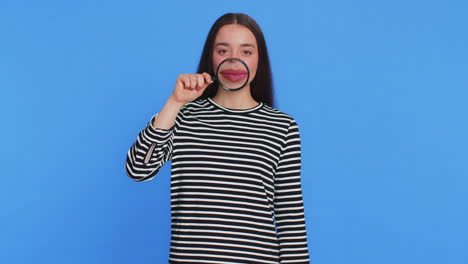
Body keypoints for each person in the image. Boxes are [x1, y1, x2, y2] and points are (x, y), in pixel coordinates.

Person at [126, 13, 310, 264]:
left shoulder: (282, 126)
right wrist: (174, 103)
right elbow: (138, 169)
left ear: (259, 60)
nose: (234, 61)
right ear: (211, 58)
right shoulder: (183, 115)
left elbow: (291, 220)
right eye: (223, 51)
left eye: (246, 52)